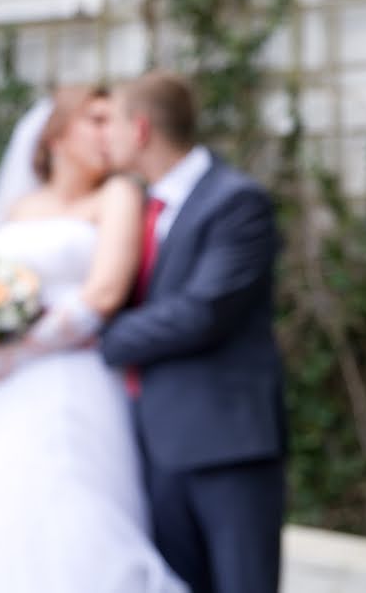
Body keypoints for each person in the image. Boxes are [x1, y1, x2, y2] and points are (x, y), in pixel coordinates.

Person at [0, 86, 187, 593]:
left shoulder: (118, 194)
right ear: (57, 133)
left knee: (72, 498)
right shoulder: (19, 207)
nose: (113, 133)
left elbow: (103, 294)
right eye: (96, 120)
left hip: (72, 376)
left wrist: (18, 349)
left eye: (114, 121)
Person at [100, 70, 286, 593]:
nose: (104, 137)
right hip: (154, 447)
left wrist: (99, 336)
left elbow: (202, 313)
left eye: (111, 122)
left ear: (139, 130)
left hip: (227, 446)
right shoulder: (137, 207)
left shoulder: (236, 201)